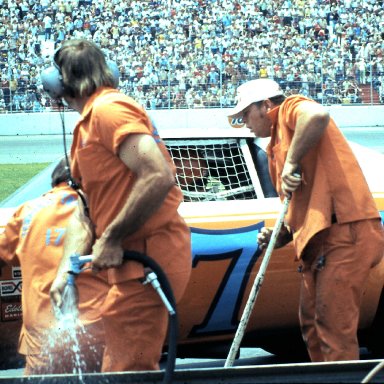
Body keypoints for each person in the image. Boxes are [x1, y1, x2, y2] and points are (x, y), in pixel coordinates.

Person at [47, 39, 192, 372]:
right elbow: (84, 213)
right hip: (128, 264)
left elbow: (158, 174)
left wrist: (111, 238)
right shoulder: (88, 124)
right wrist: (62, 274)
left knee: (127, 372)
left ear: (61, 82)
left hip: (147, 260)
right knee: (119, 366)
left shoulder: (110, 110)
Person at [228, 78, 384, 362]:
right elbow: (297, 211)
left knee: (331, 325)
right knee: (313, 324)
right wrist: (279, 234)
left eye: (245, 114)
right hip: (321, 238)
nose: (244, 123)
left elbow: (317, 115)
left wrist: (292, 161)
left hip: (344, 231)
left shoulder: (289, 108)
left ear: (265, 106)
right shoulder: (274, 147)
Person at [0, 158, 107, 375]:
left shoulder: (26, 211)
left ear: (54, 181)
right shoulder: (102, 207)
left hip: (43, 341)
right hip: (99, 334)